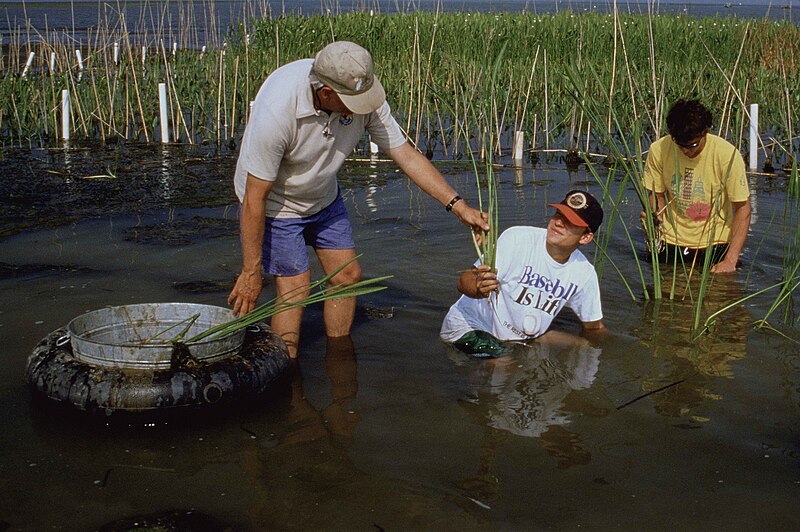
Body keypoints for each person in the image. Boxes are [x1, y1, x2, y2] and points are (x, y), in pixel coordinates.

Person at [227, 41, 487, 358]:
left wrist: (458, 206)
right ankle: (286, 372)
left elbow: (404, 154)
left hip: (322, 194)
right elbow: (255, 198)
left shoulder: (360, 91)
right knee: (295, 289)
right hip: (275, 204)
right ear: (325, 92)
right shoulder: (278, 111)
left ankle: (339, 358)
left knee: (347, 276)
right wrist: (251, 273)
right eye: (353, 101)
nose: (363, 107)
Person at [440, 190, 606, 357]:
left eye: (570, 221)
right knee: (505, 363)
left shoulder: (584, 273)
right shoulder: (517, 238)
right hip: (469, 326)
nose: (559, 223)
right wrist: (478, 287)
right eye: (558, 214)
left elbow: (594, 327)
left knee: (585, 345)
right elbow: (463, 281)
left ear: (585, 237)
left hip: (519, 336)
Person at [643, 98, 752, 273]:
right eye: (680, 145)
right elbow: (657, 195)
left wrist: (731, 259)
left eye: (692, 145)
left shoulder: (727, 155)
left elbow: (743, 209)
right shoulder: (659, 150)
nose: (686, 151)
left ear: (705, 132)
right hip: (671, 240)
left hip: (714, 243)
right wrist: (654, 217)